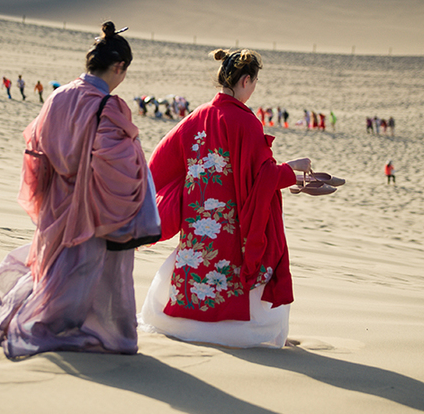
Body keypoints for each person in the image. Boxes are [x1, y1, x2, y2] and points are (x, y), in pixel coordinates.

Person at [0, 21, 147, 359]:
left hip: (55, 197)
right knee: (85, 269)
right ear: (119, 67)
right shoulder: (108, 106)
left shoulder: (59, 95)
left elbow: (35, 145)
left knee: (54, 264)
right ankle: (69, 327)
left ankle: (41, 319)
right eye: (124, 71)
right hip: (92, 202)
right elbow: (118, 163)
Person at [138, 47, 322, 349]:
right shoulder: (246, 122)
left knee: (193, 268)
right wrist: (291, 170)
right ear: (246, 80)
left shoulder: (195, 118)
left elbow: (160, 162)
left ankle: (180, 323)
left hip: (198, 223)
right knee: (240, 282)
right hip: (233, 226)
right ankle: (244, 334)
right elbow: (261, 179)